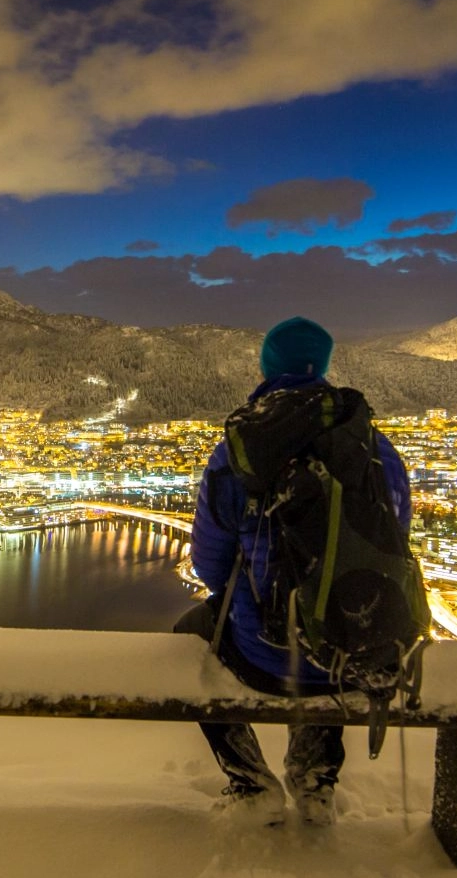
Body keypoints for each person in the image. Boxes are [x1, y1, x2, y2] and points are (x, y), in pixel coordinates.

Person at [174, 315, 413, 828]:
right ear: (323, 369)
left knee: (188, 635)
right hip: (351, 653)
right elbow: (392, 551)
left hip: (262, 654)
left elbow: (209, 566)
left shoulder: (239, 451)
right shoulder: (375, 449)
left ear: (265, 368)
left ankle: (249, 781)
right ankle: (315, 779)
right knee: (337, 617)